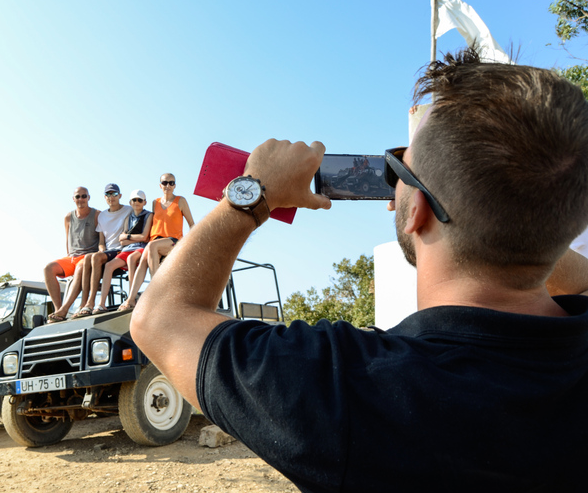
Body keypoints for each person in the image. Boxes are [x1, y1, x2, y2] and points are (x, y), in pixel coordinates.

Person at [130, 48, 588, 491]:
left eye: (399, 168)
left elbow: (160, 320)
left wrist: (254, 192)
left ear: (417, 210)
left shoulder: (353, 385)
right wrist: (497, 217)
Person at [120, 173, 194, 310]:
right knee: (143, 259)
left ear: (175, 185)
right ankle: (130, 300)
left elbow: (192, 224)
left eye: (171, 183)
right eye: (165, 183)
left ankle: (156, 289)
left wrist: (191, 245)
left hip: (173, 241)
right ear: (160, 185)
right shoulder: (155, 202)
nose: (168, 185)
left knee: (152, 246)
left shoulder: (180, 201)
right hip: (155, 241)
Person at [44, 186, 100, 322]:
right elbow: (67, 238)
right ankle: (59, 310)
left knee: (81, 267)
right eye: (78, 196)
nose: (81, 199)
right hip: (72, 257)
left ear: (89, 197)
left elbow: (102, 238)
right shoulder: (68, 217)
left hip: (88, 256)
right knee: (48, 268)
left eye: (84, 196)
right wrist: (69, 255)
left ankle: (65, 309)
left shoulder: (97, 214)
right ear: (73, 199)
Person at [76, 183, 132, 315]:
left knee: (94, 257)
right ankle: (84, 304)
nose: (111, 197)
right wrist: (102, 251)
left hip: (121, 250)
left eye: (114, 194)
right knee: (88, 258)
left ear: (120, 196)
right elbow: (101, 242)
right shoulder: (102, 216)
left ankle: (92, 302)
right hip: (108, 252)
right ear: (105, 197)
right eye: (108, 194)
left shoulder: (128, 210)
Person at [93, 189, 152, 314]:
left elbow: (144, 237)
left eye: (139, 200)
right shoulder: (128, 218)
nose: (137, 202)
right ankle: (101, 303)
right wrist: (129, 238)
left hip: (141, 247)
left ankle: (131, 298)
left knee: (131, 259)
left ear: (144, 202)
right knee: (109, 266)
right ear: (130, 202)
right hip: (127, 249)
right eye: (134, 200)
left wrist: (128, 237)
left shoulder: (148, 215)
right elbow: (122, 241)